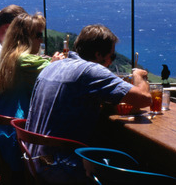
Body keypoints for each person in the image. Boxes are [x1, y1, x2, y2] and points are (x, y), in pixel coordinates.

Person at [25, 24, 151, 184]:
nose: (111, 63)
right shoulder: (90, 71)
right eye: (111, 57)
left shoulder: (53, 66)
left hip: (33, 157)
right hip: (55, 164)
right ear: (98, 55)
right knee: (132, 171)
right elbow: (144, 98)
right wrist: (139, 76)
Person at [0, 12, 63, 175]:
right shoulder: (25, 61)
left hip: (3, 138)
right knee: (62, 157)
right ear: (25, 37)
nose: (41, 40)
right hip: (20, 148)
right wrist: (57, 64)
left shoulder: (9, 56)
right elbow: (57, 73)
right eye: (38, 35)